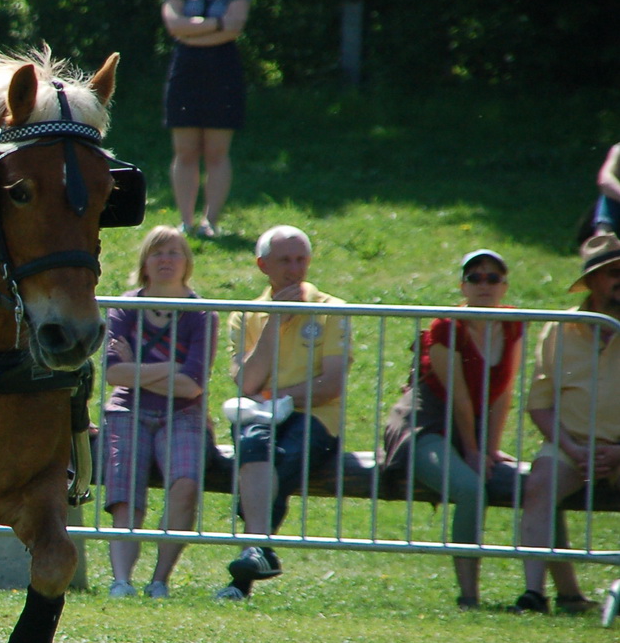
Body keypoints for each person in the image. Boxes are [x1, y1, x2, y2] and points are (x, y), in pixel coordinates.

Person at [380, 250, 523, 609]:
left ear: (505, 286)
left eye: (493, 278)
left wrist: (490, 448)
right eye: (475, 278)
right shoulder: (448, 326)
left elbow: (503, 391)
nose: (484, 285)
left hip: (467, 430)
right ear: (462, 285)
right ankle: (469, 597)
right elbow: (459, 398)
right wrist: (474, 453)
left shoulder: (514, 322)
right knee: (472, 488)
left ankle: (559, 593)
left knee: (532, 482)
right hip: (424, 425)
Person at [218, 225, 350, 601]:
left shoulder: (332, 310)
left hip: (316, 416)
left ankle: (250, 561)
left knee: (275, 465)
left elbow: (331, 385)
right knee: (253, 445)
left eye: (301, 260)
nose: (295, 269)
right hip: (259, 414)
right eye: (284, 261)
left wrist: (276, 395)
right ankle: (259, 554)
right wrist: (274, 320)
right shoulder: (247, 315)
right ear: (263, 265)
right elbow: (246, 382)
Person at [100, 226, 216, 599]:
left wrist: (138, 370)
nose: (166, 260)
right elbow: (112, 374)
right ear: (145, 263)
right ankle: (121, 580)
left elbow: (192, 385)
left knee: (185, 486)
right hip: (126, 409)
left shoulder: (200, 313)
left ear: (187, 263)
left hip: (183, 413)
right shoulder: (125, 306)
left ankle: (159, 581)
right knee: (124, 491)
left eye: (174, 253)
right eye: (157, 253)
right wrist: (170, 368)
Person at [511, 234, 620, 615]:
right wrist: (573, 450)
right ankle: (534, 594)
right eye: (610, 273)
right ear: (590, 282)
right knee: (540, 482)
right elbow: (540, 406)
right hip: (571, 445)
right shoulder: (559, 330)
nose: (618, 279)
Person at [161, 0, 252, 240]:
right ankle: (186, 220)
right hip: (185, 68)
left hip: (223, 68)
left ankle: (210, 221)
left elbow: (235, 26)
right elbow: (174, 26)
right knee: (184, 150)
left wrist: (194, 26)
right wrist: (215, 24)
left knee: (216, 151)